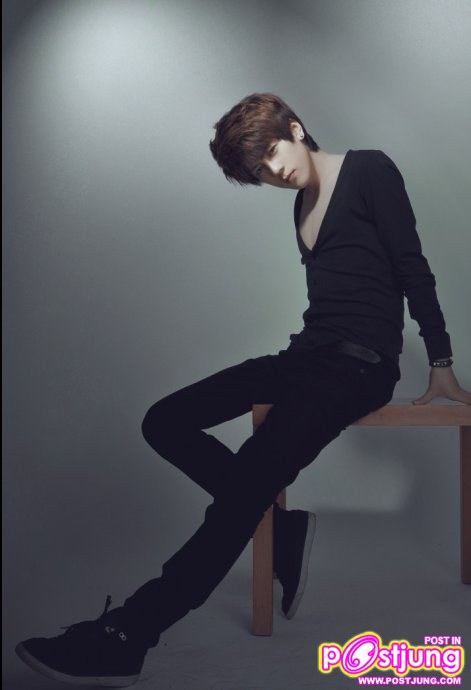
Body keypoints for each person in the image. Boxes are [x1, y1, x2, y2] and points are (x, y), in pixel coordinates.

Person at [15, 92, 471, 687]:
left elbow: (412, 265)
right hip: (306, 357)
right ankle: (283, 531)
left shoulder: (370, 170)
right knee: (165, 421)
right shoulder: (300, 204)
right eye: (260, 171)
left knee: (249, 482)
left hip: (360, 367)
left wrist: (440, 360)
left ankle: (130, 633)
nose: (274, 172)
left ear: (295, 128)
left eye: (273, 152)